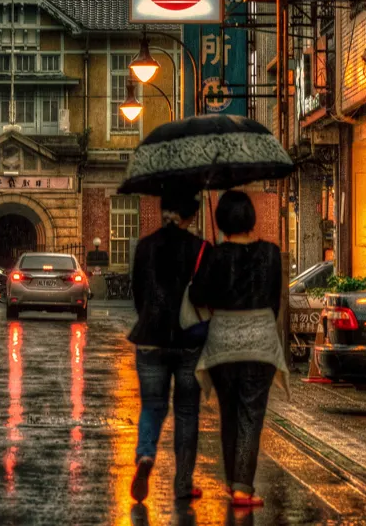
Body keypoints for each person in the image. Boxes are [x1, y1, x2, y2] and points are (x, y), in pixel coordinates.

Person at [189, 189, 287, 509]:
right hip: (260, 342)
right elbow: (275, 302)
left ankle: (235, 483)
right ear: (251, 219)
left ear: (220, 221)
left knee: (229, 413)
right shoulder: (271, 254)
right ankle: (243, 486)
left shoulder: (215, 255)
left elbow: (197, 297)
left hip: (223, 345)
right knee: (251, 414)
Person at [127, 188, 208, 503]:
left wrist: (151, 319)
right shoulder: (200, 248)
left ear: (163, 212)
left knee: (152, 405)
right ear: (191, 216)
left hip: (150, 338)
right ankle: (184, 482)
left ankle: (146, 455)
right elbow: (204, 296)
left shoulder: (146, 246)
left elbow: (138, 294)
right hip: (189, 340)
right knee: (187, 411)